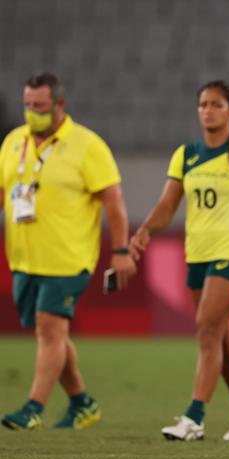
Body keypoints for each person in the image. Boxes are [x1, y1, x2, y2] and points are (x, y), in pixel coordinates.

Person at [129, 80, 229, 441]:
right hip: (197, 255)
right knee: (220, 338)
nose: (207, 110)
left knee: (208, 330)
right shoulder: (187, 154)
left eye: (215, 104)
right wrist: (146, 229)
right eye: (202, 104)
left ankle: (194, 418)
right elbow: (168, 205)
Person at [0, 72, 136, 430]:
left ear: (59, 105)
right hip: (23, 257)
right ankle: (82, 403)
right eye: (28, 105)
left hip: (68, 257)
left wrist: (121, 250)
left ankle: (32, 408)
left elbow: (113, 200)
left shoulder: (87, 145)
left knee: (48, 329)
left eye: (40, 106)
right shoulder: (14, 141)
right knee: (52, 334)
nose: (32, 112)